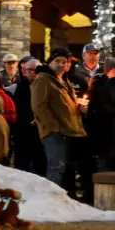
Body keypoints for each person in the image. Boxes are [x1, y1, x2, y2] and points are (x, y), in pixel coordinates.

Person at [32, 48, 88, 188]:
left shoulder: (63, 80)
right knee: (56, 168)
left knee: (64, 169)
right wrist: (53, 127)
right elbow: (39, 106)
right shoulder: (44, 80)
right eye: (58, 61)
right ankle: (51, 199)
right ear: (50, 62)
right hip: (56, 132)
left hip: (69, 130)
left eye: (65, 62)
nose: (62, 65)